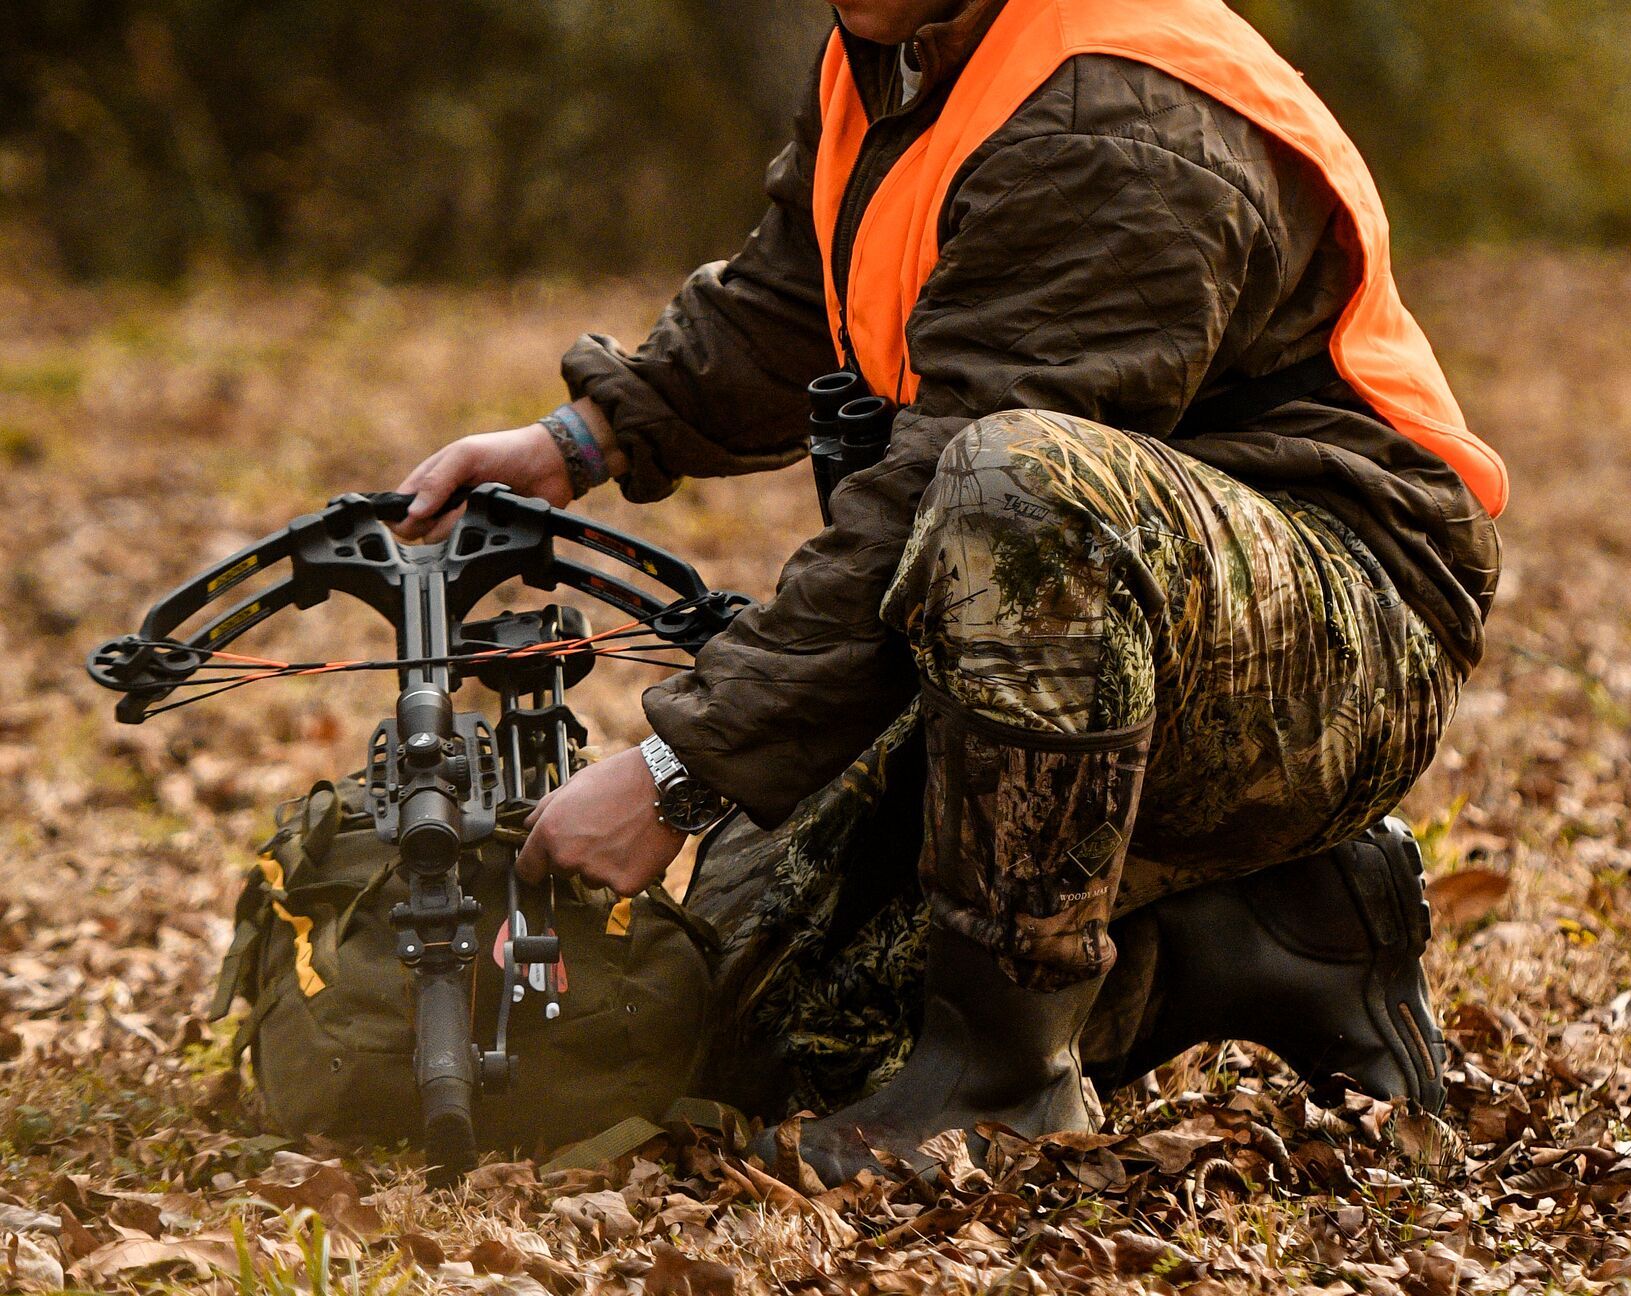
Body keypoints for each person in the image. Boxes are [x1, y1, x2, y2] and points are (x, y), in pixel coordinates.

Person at [394, 0, 1506, 1185]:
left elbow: (958, 481)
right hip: (1077, 608)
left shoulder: (1114, 109)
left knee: (1017, 482)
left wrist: (681, 772)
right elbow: (798, 296)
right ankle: (1270, 928)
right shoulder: (894, 46)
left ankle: (1004, 1081)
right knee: (755, 1033)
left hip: (1337, 624)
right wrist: (584, 435)